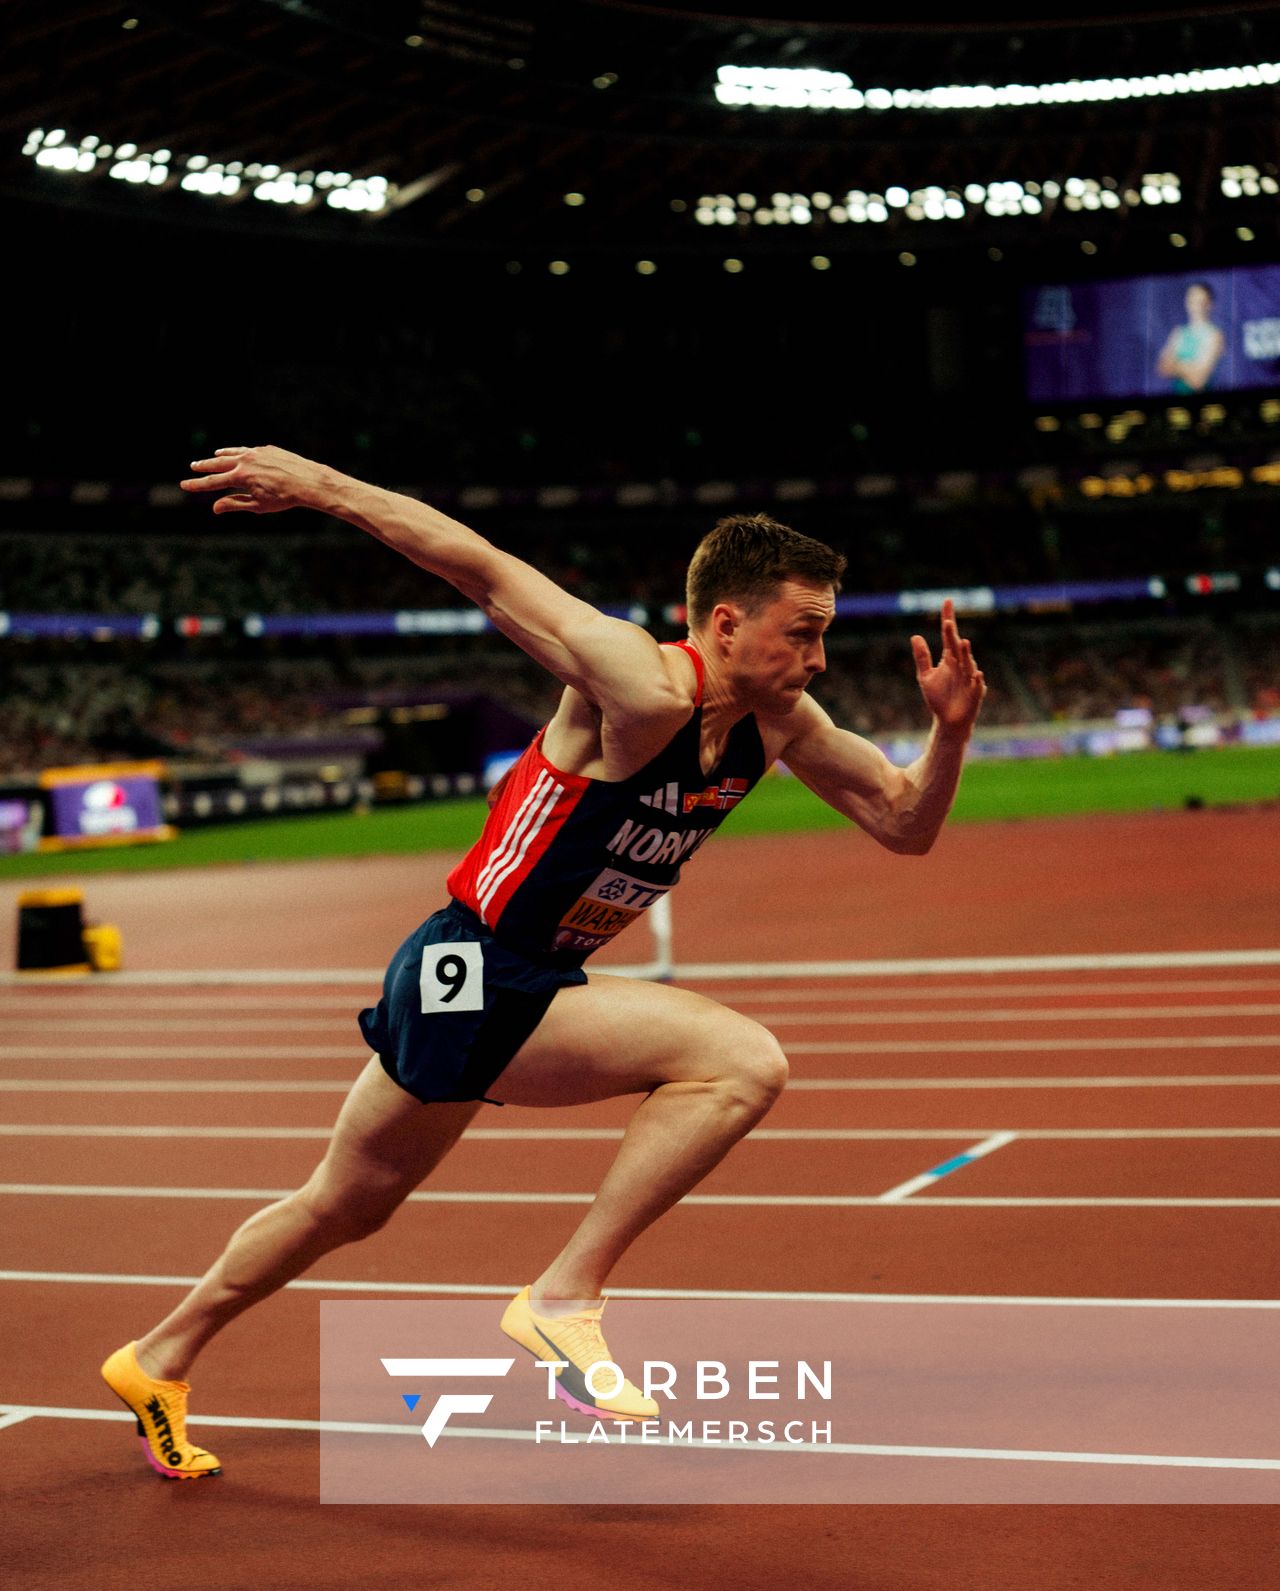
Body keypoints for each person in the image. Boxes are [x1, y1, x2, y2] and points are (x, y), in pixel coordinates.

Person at [101, 445, 986, 1478]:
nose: (819, 660)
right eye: (805, 633)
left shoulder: (780, 725)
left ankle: (156, 1356)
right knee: (738, 1063)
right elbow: (476, 565)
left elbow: (900, 820)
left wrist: (949, 735)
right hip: (471, 965)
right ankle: (563, 1298)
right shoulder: (634, 683)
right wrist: (319, 486)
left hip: (501, 979)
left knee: (344, 1204)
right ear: (726, 622)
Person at [1155, 282, 1225, 395]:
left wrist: (1176, 364)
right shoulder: (1179, 332)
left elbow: (1198, 381)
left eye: (1201, 301)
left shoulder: (1215, 335)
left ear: (1209, 304)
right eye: (1192, 301)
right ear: (1187, 303)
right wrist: (1190, 367)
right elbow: (1163, 368)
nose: (1196, 306)